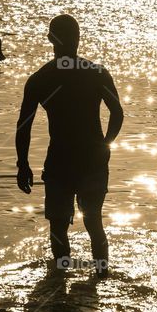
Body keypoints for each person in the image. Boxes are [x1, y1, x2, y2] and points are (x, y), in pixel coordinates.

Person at [15, 15, 124, 276]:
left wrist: (23, 164)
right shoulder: (96, 73)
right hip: (92, 160)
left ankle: (60, 286)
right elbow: (117, 114)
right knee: (93, 222)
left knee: (58, 226)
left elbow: (23, 126)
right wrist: (105, 146)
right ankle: (101, 279)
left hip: (60, 162)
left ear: (51, 39)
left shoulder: (41, 78)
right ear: (78, 39)